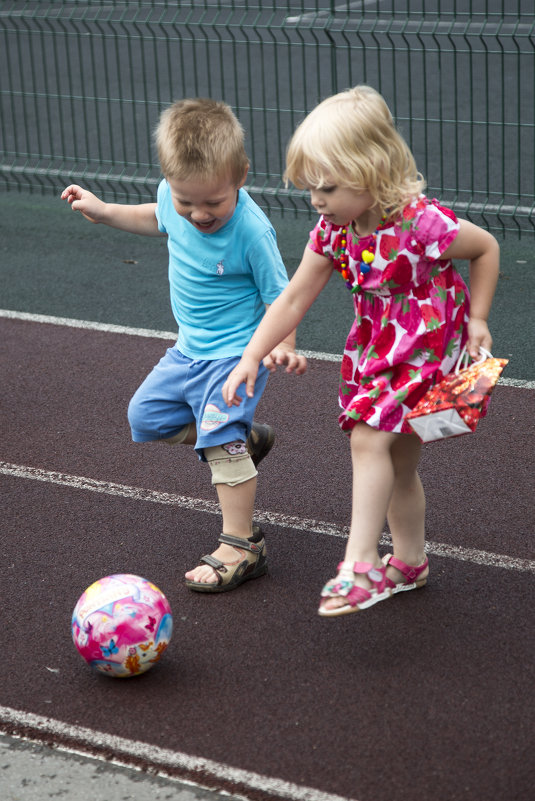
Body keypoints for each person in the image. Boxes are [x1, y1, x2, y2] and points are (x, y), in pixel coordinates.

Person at [222, 85, 500, 616]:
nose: (316, 199)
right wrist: (253, 353)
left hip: (427, 350)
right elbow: (295, 296)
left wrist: (480, 318)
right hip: (381, 350)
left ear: (373, 174)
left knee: (369, 440)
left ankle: (362, 562)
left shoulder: (422, 224)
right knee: (396, 463)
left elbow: (486, 247)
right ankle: (411, 562)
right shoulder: (334, 230)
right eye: (309, 188)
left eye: (326, 187)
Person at [62, 97, 305, 593]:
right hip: (188, 350)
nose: (198, 214)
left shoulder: (252, 232)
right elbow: (159, 217)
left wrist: (283, 345)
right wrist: (105, 211)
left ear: (241, 175)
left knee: (219, 439)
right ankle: (245, 439)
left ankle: (243, 545)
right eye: (185, 200)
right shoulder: (175, 202)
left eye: (212, 203)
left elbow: (284, 296)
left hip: (237, 356)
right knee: (146, 418)